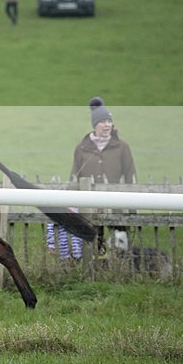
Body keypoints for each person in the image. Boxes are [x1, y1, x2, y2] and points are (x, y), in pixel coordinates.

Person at [47, 97, 137, 261]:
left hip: (115, 205)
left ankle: (120, 271)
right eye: (103, 121)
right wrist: (69, 203)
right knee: (95, 245)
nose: (107, 125)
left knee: (120, 246)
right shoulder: (82, 148)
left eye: (109, 121)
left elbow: (131, 177)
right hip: (90, 206)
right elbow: (75, 177)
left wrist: (133, 206)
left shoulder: (122, 147)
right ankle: (97, 275)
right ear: (95, 125)